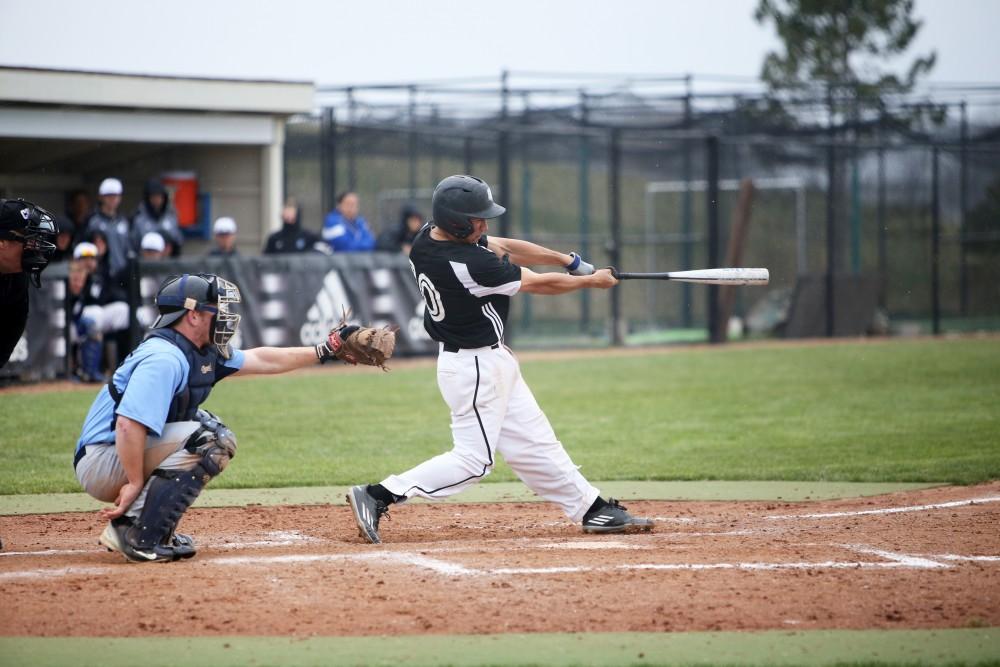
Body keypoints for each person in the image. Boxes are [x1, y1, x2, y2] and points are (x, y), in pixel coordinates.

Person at [346, 175, 654, 544]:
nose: (485, 225)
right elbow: (540, 284)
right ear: (457, 222)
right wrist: (593, 282)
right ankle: (379, 494)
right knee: (474, 462)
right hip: (474, 369)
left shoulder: (429, 237)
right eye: (478, 219)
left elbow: (504, 244)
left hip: (491, 361)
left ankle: (592, 508)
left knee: (536, 443)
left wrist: (567, 260)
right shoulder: (470, 265)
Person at [74, 273, 387, 562]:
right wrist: (133, 481)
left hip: (118, 451)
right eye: (214, 308)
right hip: (104, 458)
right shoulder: (164, 358)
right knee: (210, 440)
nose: (223, 315)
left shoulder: (198, 349)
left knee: (206, 427)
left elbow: (263, 359)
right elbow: (128, 424)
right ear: (192, 315)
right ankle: (136, 533)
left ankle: (149, 528)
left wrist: (326, 348)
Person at [0, 198, 57, 368]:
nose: (34, 246)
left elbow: (12, 327)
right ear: (2, 242)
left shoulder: (16, 276)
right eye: (26, 239)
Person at [84, 178, 131, 279]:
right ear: (101, 197)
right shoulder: (92, 221)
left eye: (116, 196)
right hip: (100, 274)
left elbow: (129, 249)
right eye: (109, 196)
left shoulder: (124, 221)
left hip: (122, 275)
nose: (113, 199)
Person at [131, 179, 183, 257]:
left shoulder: (171, 217)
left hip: (167, 262)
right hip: (146, 263)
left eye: (159, 196)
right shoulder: (139, 219)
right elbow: (135, 245)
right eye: (153, 197)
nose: (157, 200)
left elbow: (177, 241)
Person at [263, 198, 329, 255]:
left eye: (291, 216)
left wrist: (308, 254)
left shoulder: (308, 236)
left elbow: (325, 249)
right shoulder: (274, 238)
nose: (289, 219)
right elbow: (266, 258)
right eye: (286, 216)